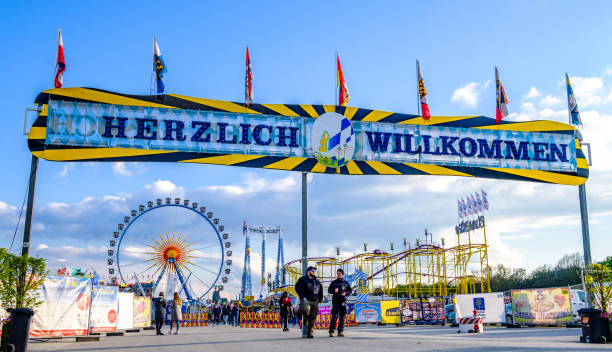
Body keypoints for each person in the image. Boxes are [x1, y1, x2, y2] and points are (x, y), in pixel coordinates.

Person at [295, 266, 323, 338]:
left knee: (312, 317)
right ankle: (299, 312)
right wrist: (302, 296)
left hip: (315, 300)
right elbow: (297, 287)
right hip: (306, 299)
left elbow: (320, 290)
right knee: (305, 310)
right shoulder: (303, 279)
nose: (314, 272)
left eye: (314, 271)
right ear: (308, 271)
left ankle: (310, 332)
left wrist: (320, 298)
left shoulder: (317, 281)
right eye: (312, 270)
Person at [327, 268, 352, 337]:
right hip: (335, 302)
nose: (338, 274)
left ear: (342, 274)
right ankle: (331, 331)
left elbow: (350, 291)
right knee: (334, 316)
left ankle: (340, 331)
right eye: (337, 273)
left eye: (339, 273)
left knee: (342, 317)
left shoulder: (346, 283)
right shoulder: (334, 282)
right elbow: (329, 290)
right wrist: (334, 290)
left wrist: (345, 293)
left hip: (343, 301)